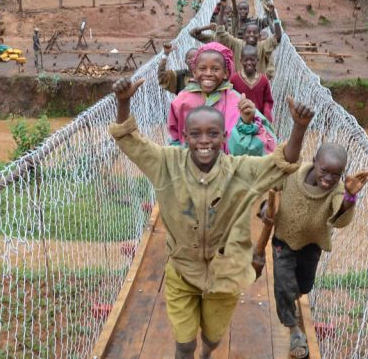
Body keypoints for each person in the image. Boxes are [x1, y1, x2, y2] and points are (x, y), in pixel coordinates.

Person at [110, 76, 315, 359]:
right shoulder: (167, 164)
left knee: (213, 337)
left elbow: (280, 165)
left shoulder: (240, 171)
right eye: (195, 134)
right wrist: (123, 103)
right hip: (182, 271)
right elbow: (130, 142)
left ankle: (207, 352)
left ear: (223, 137)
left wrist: (299, 129)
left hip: (225, 275)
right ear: (184, 136)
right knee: (183, 345)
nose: (203, 141)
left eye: (212, 134)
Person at [260, 144, 368, 358]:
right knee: (283, 286)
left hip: (311, 245)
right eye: (324, 171)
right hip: (283, 241)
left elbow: (341, 221)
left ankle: (293, 295)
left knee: (304, 285)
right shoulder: (294, 173)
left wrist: (349, 198)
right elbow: (273, 184)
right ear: (314, 161)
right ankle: (294, 331)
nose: (328, 179)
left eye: (336, 175)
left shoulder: (337, 190)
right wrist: (266, 205)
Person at [168, 42, 274, 155]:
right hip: (190, 168)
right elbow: (174, 139)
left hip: (228, 169)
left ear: (226, 73)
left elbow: (265, 142)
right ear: (194, 72)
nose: (208, 73)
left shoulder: (238, 103)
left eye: (215, 69)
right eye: (202, 68)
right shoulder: (180, 102)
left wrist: (246, 123)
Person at [215, 0, 282, 78]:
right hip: (238, 87)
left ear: (259, 35)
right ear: (243, 35)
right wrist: (222, 9)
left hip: (258, 86)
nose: (252, 34)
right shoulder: (237, 44)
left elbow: (277, 37)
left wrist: (274, 14)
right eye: (248, 32)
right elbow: (220, 32)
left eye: (255, 32)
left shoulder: (263, 45)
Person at [230, 45, 273, 122]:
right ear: (241, 61)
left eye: (252, 60)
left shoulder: (263, 80)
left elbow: (268, 100)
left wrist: (267, 113)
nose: (249, 63)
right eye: (246, 60)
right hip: (240, 120)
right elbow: (230, 99)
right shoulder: (234, 79)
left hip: (259, 121)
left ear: (257, 60)